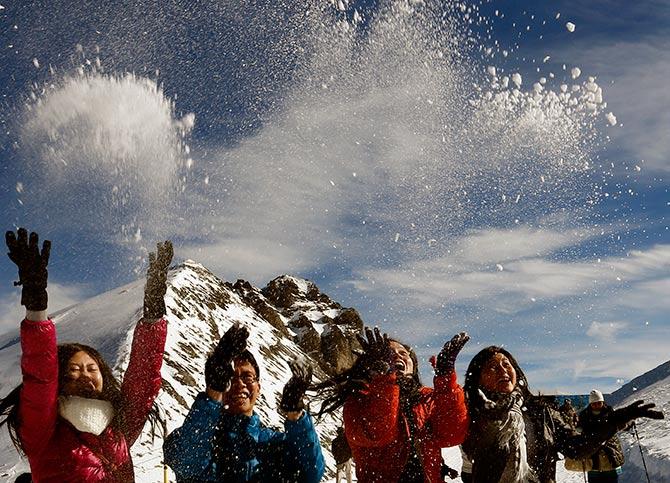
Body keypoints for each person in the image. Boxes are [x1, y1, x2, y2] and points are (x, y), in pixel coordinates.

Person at [0, 228, 173, 481]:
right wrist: (37, 309)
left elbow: (143, 380)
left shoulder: (119, 426)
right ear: (60, 382)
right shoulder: (45, 430)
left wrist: (154, 312)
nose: (85, 376)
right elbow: (40, 378)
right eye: (73, 371)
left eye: (92, 369)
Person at [461, 346, 665, 483]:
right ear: (478, 379)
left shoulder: (540, 412)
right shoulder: (471, 416)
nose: (503, 371)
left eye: (507, 364)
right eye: (492, 367)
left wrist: (612, 423)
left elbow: (576, 448)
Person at [163, 323, 325, 482]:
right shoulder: (201, 438)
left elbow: (311, 473)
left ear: (258, 387)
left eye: (247, 377)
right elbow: (184, 460)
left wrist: (295, 412)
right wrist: (213, 393)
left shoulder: (272, 443)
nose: (239, 384)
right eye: (230, 378)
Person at [317, 327, 470, 483]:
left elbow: (452, 434)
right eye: (388, 354)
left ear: (413, 364)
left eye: (403, 353)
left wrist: (446, 377)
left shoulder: (426, 397)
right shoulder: (359, 399)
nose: (397, 356)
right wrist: (385, 379)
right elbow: (378, 433)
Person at [578, 389, 624, 482]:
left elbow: (619, 424)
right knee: (594, 477)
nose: (597, 405)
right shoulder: (584, 415)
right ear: (590, 404)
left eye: (599, 403)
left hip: (610, 452)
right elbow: (579, 427)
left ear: (602, 402)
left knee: (611, 478)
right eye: (594, 403)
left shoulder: (610, 412)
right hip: (592, 452)